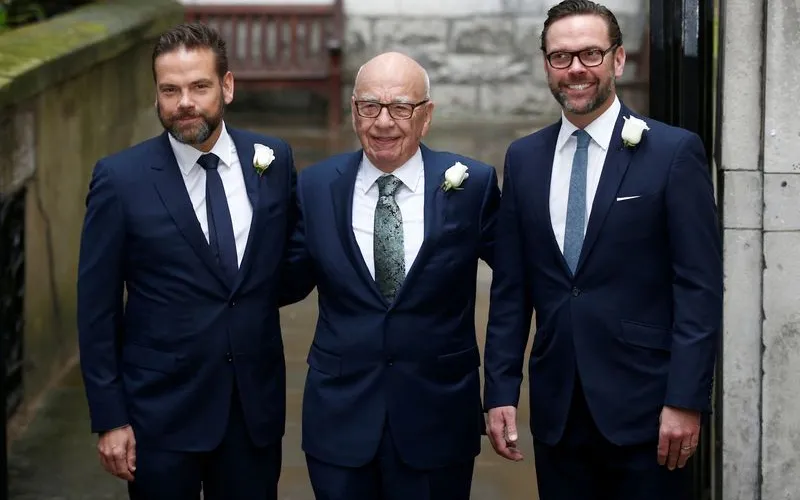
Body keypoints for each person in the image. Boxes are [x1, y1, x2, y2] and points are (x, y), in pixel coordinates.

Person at [482, 1, 723, 498]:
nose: (575, 69)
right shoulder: (524, 159)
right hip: (558, 411)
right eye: (561, 56)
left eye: (590, 54)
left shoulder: (673, 153)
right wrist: (501, 390)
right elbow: (511, 290)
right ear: (546, 64)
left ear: (618, 59)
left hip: (648, 411)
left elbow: (698, 287)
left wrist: (686, 399)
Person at [77, 23, 295, 500]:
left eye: (199, 86)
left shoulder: (273, 160)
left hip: (252, 412)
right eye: (170, 90)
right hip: (159, 416)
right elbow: (96, 310)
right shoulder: (120, 179)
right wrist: (110, 417)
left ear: (227, 86)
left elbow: (285, 265)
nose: (184, 103)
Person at [282, 51, 500, 499]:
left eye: (400, 107)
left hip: (438, 419)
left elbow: (519, 284)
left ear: (426, 116)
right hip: (340, 421)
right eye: (370, 106)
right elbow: (284, 281)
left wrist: (503, 389)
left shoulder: (472, 186)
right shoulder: (315, 187)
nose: (383, 122)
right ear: (354, 111)